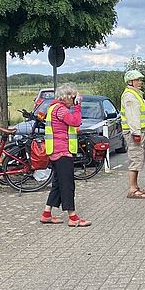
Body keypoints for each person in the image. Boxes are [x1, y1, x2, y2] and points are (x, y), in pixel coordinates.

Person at [40, 84, 90, 226]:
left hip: (55, 151)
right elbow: (75, 121)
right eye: (73, 97)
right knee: (67, 184)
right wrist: (78, 107)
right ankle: (73, 217)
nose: (74, 100)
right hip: (62, 152)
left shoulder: (53, 108)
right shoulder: (60, 109)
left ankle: (46, 214)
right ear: (66, 96)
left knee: (57, 183)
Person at [120, 69, 145, 199]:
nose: (140, 82)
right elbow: (132, 117)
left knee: (138, 158)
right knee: (135, 158)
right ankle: (132, 189)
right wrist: (136, 133)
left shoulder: (135, 94)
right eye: (137, 80)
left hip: (137, 132)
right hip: (134, 133)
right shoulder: (130, 96)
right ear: (130, 82)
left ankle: (136, 186)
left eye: (140, 80)